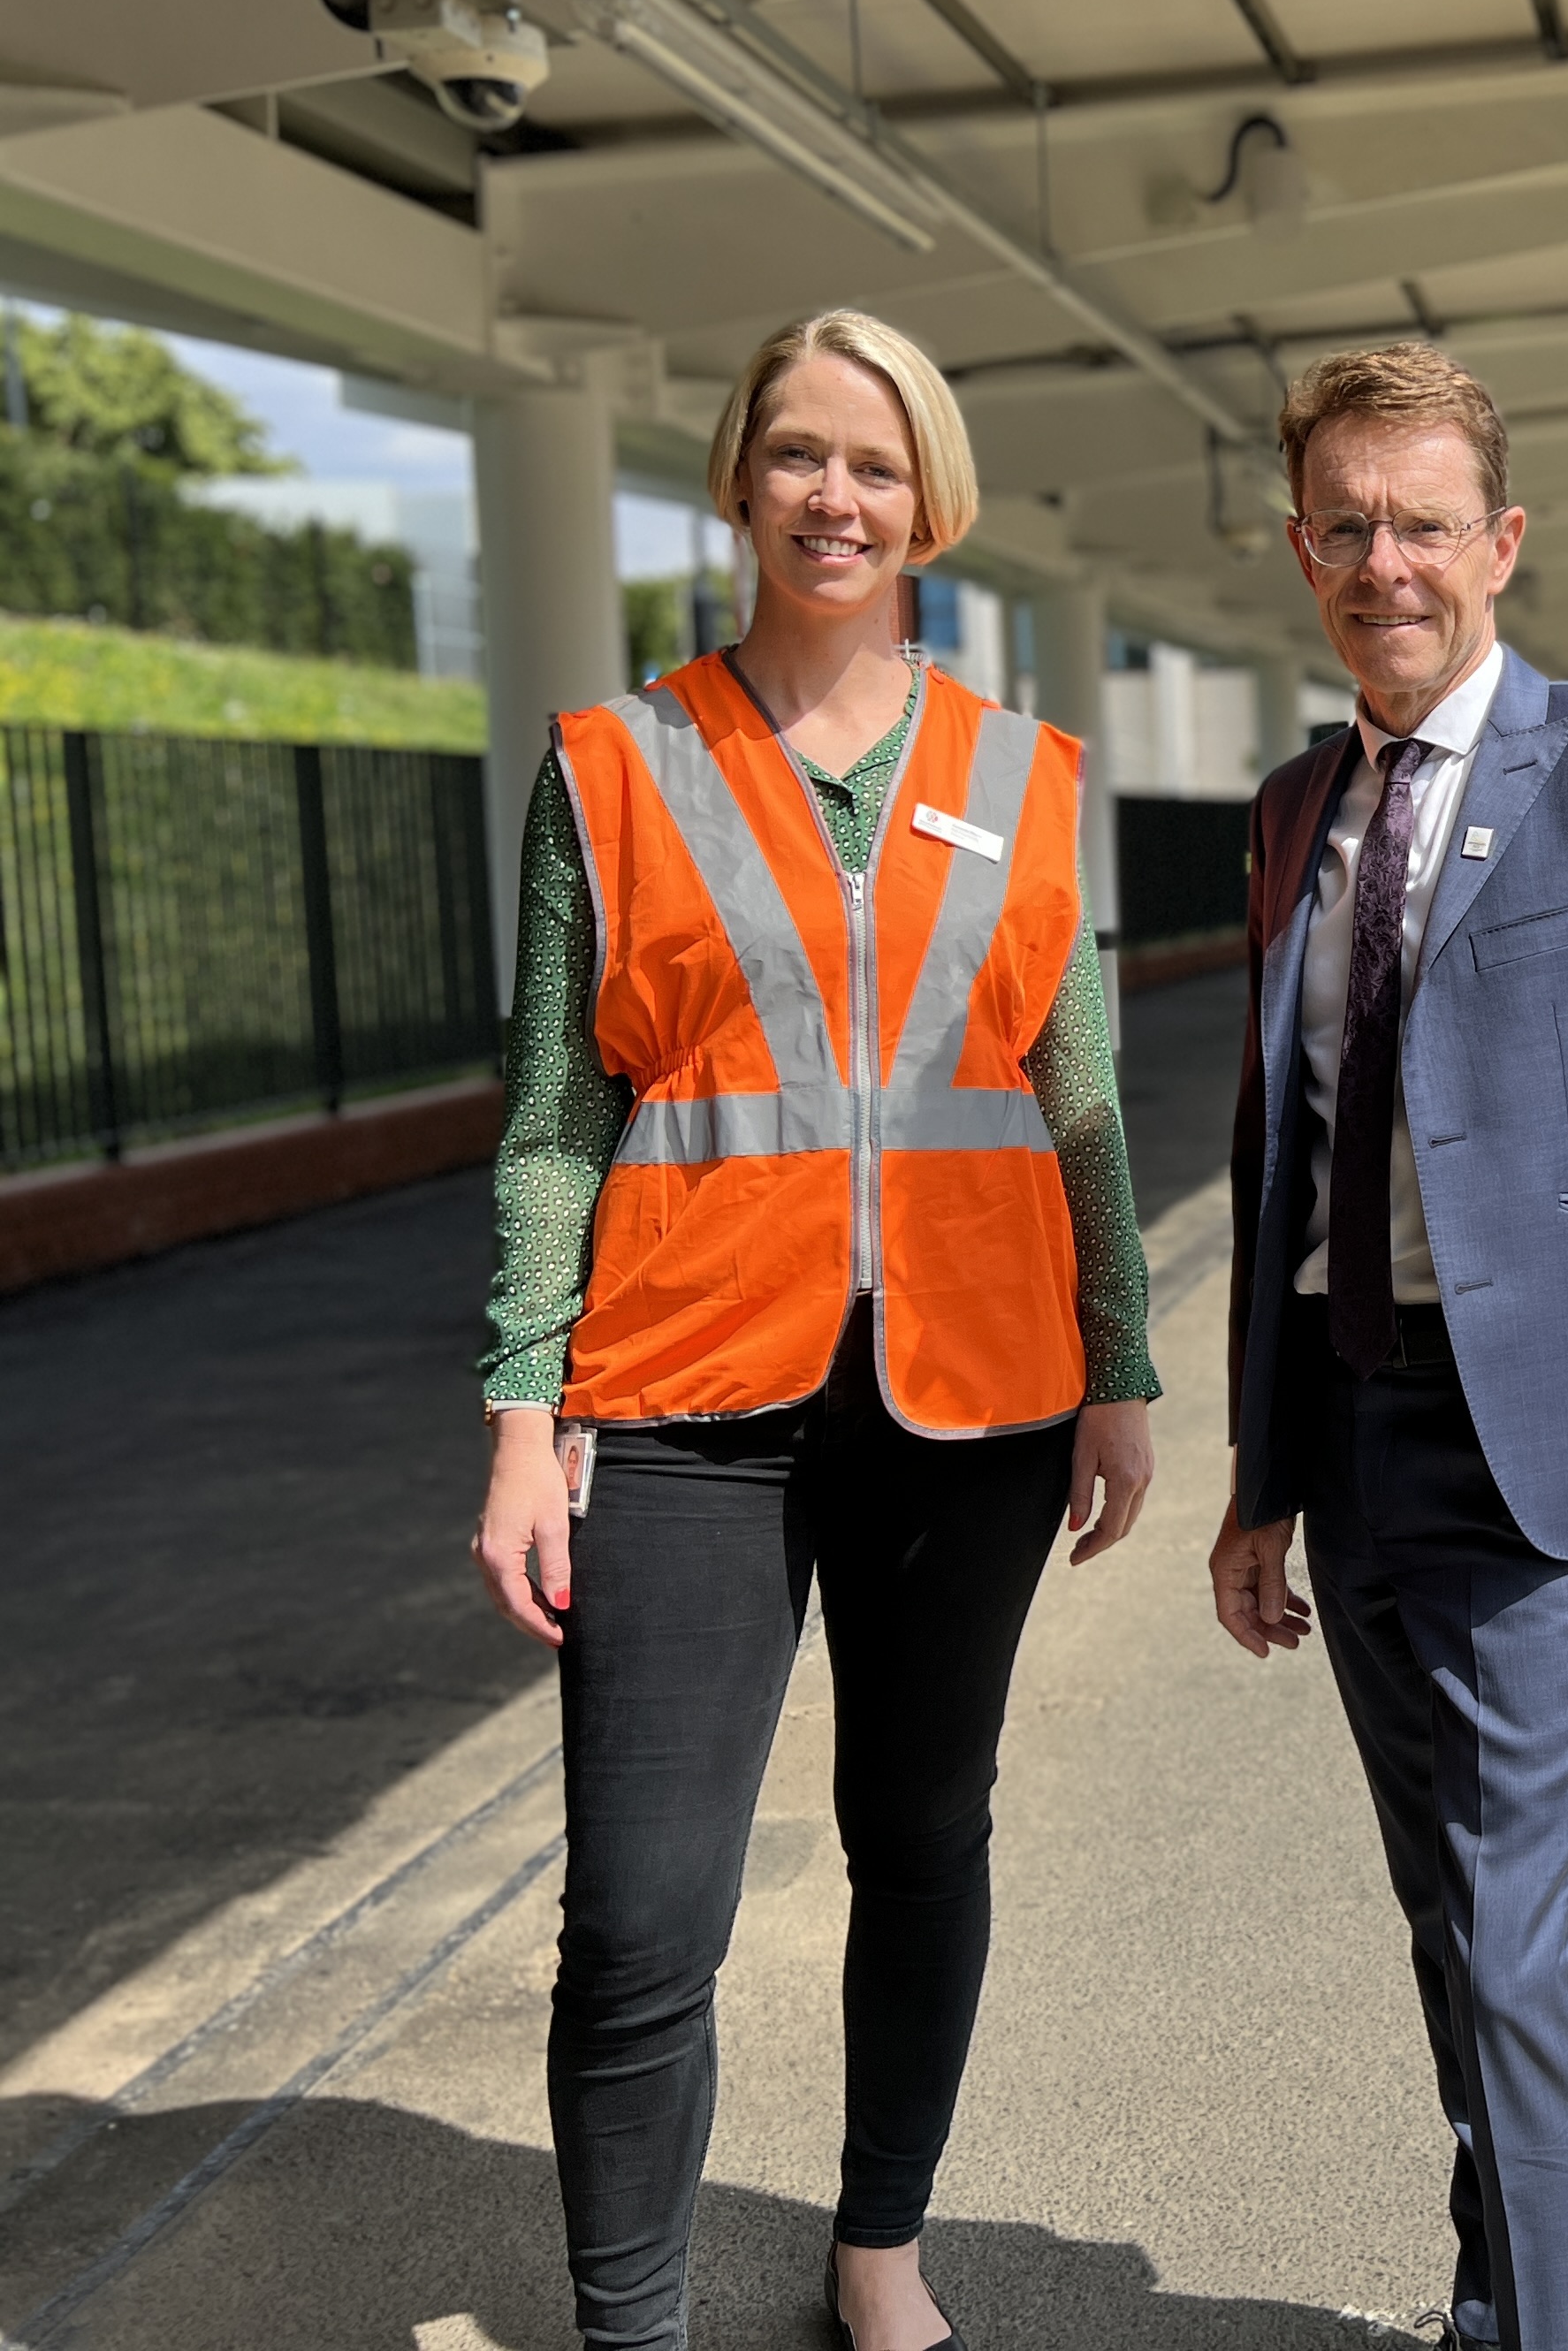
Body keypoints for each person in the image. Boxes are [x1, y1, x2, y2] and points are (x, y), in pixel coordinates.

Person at [470, 308, 1161, 2351]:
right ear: (739, 478)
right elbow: (550, 1115)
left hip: (975, 1398)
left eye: (875, 463)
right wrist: (524, 1411)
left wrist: (1116, 1367)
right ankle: (633, 2330)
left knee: (923, 1833)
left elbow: (1080, 1089)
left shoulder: (1027, 775)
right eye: (797, 455)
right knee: (641, 1918)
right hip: (688, 1397)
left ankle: (880, 2249)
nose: (833, 498)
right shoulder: (614, 765)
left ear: (930, 498)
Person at [1208, 343, 1568, 2351]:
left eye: (1424, 523)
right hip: (1349, 1437)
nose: (1388, 563)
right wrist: (1257, 1485)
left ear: (1501, 541)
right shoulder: (1293, 810)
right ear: (1305, 552)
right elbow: (1279, 1157)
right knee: (1450, 1923)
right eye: (1348, 527)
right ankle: (1497, 2299)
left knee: (1526, 1955)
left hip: (1534, 1447)